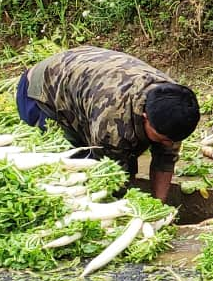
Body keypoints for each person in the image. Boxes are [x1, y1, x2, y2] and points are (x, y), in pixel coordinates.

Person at [16, 46, 201, 202]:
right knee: (76, 168)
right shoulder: (112, 122)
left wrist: (157, 204)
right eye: (163, 138)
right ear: (145, 116)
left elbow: (166, 159)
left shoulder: (174, 101)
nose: (169, 143)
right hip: (40, 92)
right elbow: (113, 176)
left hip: (89, 78)